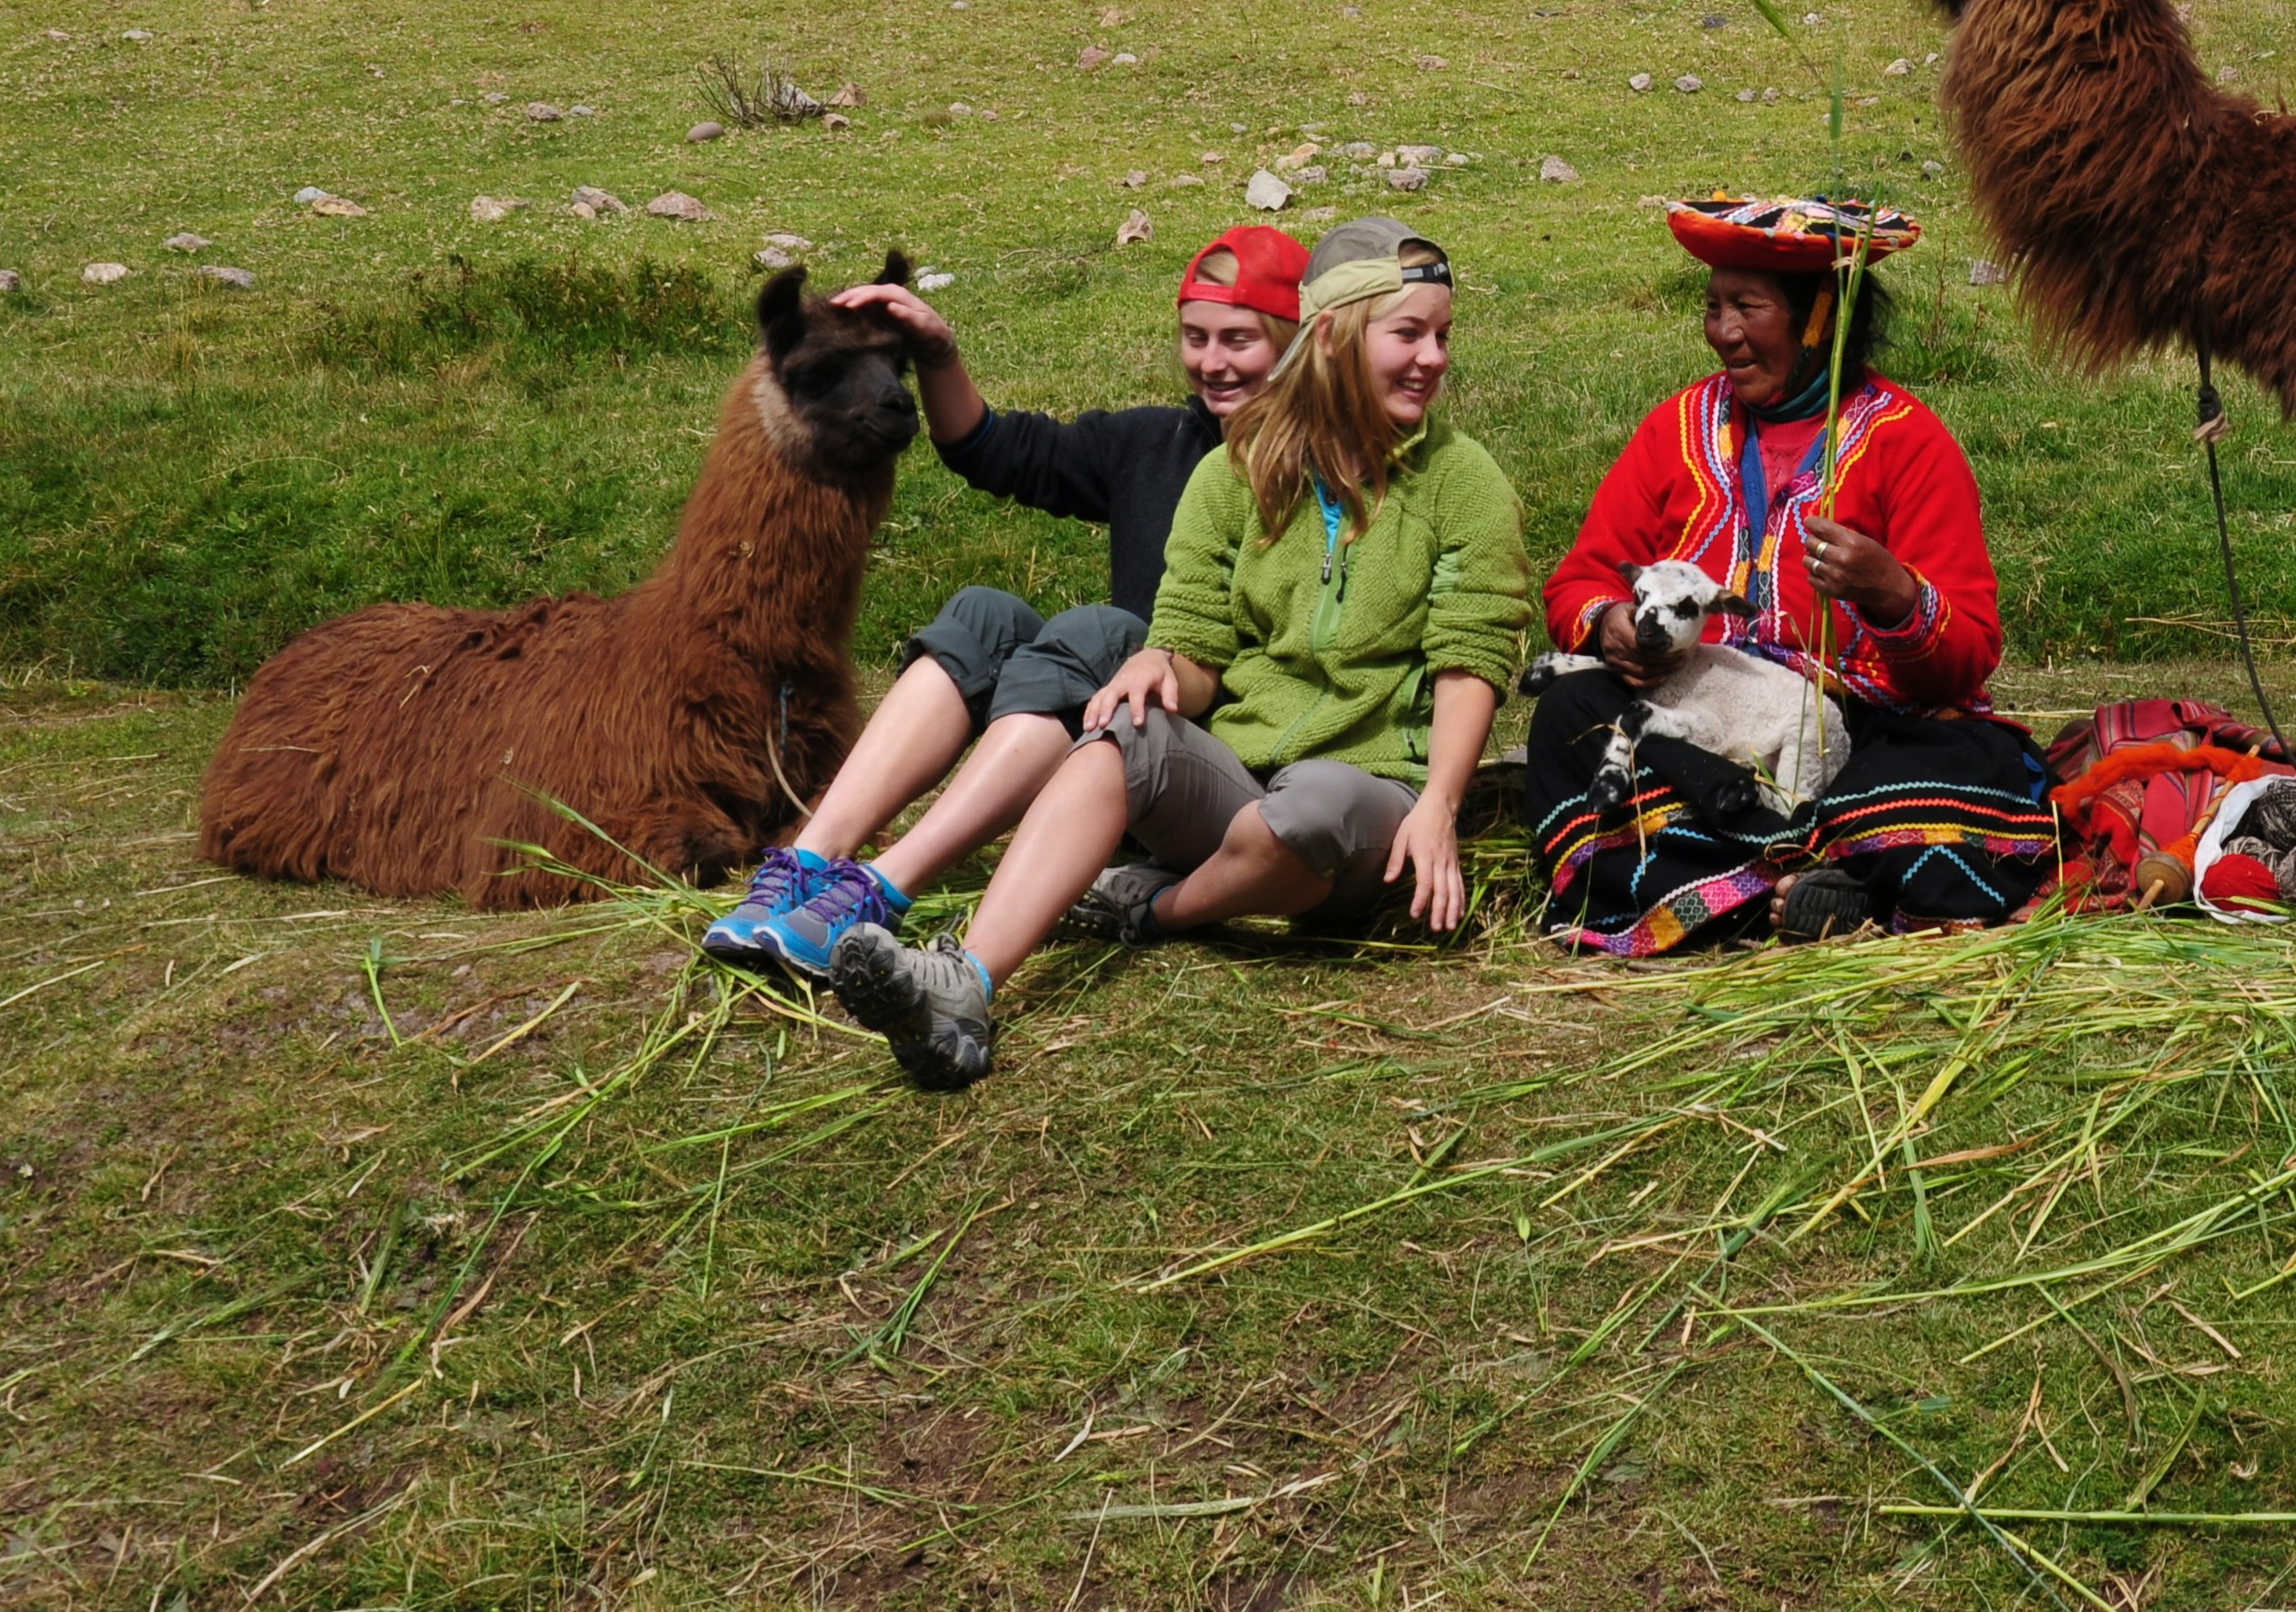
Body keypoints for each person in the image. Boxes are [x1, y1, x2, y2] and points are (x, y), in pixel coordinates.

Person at [828, 220, 1537, 1090]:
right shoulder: (1234, 473)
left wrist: (1437, 806)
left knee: (1313, 805)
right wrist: (1161, 665)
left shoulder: (1465, 482)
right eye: (1408, 333)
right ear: (1336, 337)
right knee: (1125, 730)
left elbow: (1471, 659)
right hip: (1239, 774)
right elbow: (1198, 640)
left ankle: (1154, 906)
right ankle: (962, 983)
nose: (1432, 357)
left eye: (1442, 335)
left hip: (1371, 792)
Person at [697, 224, 1309, 983]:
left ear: (1296, 342)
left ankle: (879, 891)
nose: (1212, 362)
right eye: (1195, 337)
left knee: (1105, 631)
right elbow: (997, 449)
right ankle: (806, 867)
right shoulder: (1153, 444)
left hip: (1195, 759)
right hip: (1113, 721)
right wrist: (936, 353)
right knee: (983, 613)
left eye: (1239, 340)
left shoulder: (1324, 479)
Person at [1532, 194, 2054, 954]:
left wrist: (1894, 596)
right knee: (1571, 713)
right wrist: (1610, 624)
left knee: (1966, 763)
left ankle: (1757, 880)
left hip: (1861, 733)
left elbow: (1969, 651)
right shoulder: (1676, 430)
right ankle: (1811, 882)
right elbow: (1578, 582)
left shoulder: (1906, 441)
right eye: (1713, 307)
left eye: (1748, 307)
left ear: (1820, 321)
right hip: (1702, 718)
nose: (1725, 332)